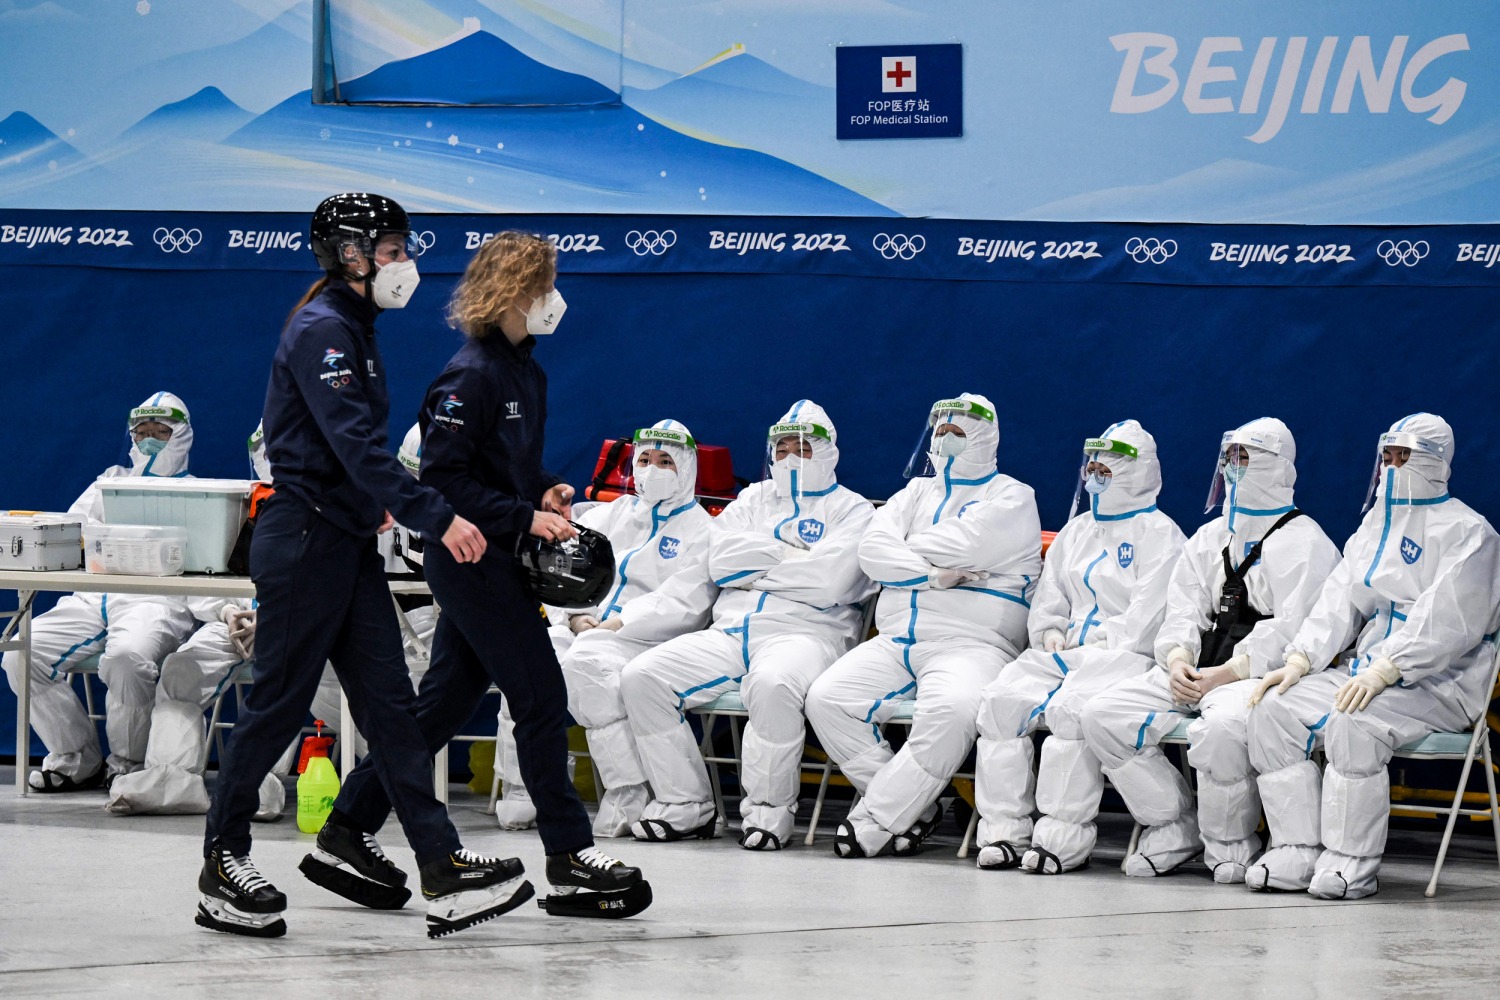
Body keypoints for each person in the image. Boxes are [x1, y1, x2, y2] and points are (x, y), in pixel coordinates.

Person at [298, 229, 651, 925]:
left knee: (443, 707)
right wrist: (524, 517)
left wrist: (543, 491)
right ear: (517, 292)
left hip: (500, 558)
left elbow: (505, 471)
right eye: (545, 284)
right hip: (468, 561)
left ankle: (346, 828)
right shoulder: (470, 377)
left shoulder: (526, 370)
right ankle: (570, 858)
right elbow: (443, 482)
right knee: (542, 697)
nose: (554, 298)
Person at [196, 192, 509, 941]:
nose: (408, 264)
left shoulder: (355, 328)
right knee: (278, 703)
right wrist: (440, 515)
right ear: (352, 256)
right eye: (395, 250)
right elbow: (355, 449)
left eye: (405, 248)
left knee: (391, 708)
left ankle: (442, 868)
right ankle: (221, 861)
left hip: (343, 543)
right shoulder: (325, 330)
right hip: (304, 542)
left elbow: (358, 457)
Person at [1245, 413, 1500, 898]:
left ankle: (1351, 862)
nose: (1391, 466)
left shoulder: (1470, 533)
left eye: (1403, 457)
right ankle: (1295, 851)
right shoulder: (1374, 525)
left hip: (1441, 683)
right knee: (1273, 710)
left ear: (1433, 462)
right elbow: (1340, 599)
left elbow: (1448, 622)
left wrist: (1390, 666)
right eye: (1387, 457)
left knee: (1352, 722)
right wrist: (1300, 660)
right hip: (1366, 674)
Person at [1081, 417, 1341, 882]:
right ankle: (1171, 825)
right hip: (1197, 669)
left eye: (1245, 458)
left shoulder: (1306, 542)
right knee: (1101, 714)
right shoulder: (1209, 538)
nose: (1233, 469)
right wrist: (1179, 660)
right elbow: (1181, 611)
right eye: (1229, 459)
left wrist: (1227, 673)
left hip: (1259, 675)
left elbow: (1296, 628)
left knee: (1219, 726)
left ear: (1274, 466)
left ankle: (1231, 844)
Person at [620, 400, 876, 850]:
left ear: (828, 452)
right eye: (781, 448)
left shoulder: (852, 510)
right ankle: (685, 805)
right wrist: (795, 556)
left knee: (772, 684)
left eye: (803, 447)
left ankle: (768, 813)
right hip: (730, 630)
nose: (790, 457)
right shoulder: (752, 499)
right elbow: (720, 564)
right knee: (643, 677)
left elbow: (831, 582)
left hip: (808, 633)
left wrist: (761, 558)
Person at [805, 394, 1043, 858]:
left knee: (951, 711)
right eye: (941, 432)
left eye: (959, 433)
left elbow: (964, 543)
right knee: (827, 698)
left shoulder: (1012, 497)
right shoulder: (914, 492)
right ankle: (916, 807)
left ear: (984, 438)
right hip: (897, 639)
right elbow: (870, 553)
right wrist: (934, 575)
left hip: (973, 643)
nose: (946, 441)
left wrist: (902, 550)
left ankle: (877, 819)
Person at [973, 420, 1185, 873]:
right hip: (1066, 652)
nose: (1097, 471)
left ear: (1137, 470)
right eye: (1093, 462)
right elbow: (1050, 601)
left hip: (1127, 658)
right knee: (1000, 701)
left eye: (1110, 464)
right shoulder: (1076, 531)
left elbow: (1145, 622)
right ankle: (1004, 832)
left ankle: (1061, 840)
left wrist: (1093, 641)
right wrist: (1049, 633)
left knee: (1071, 712)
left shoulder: (1160, 534)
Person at [493, 420, 714, 837]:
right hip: (584, 625)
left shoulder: (702, 530)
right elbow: (566, 571)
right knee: (524, 663)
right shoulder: (612, 513)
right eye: (645, 460)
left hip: (646, 639)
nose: (652, 469)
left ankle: (628, 792)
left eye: (666, 461)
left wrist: (620, 622)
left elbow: (688, 601)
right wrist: (572, 615)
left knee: (588, 667)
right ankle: (525, 785)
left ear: (686, 468)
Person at [3, 393, 197, 791]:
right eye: (142, 433)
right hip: (93, 596)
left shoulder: (199, 493)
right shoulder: (108, 483)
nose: (149, 441)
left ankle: (127, 764)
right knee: (23, 654)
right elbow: (69, 532)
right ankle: (76, 757)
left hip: (157, 601)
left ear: (181, 436)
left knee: (127, 660)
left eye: (160, 432)